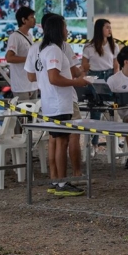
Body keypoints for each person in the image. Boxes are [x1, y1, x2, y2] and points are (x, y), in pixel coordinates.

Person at [26, 15, 88, 196]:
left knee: (58, 141)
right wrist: (78, 82)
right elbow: (54, 78)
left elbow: (38, 77)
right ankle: (62, 183)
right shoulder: (53, 51)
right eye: (65, 27)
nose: (67, 31)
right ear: (57, 30)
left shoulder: (44, 50)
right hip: (59, 103)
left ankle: (57, 181)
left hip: (51, 102)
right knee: (62, 142)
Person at [82, 19, 119, 155]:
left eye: (110, 27)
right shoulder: (89, 47)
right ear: (99, 29)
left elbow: (116, 65)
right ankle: (94, 143)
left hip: (109, 76)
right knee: (96, 110)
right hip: (94, 78)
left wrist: (115, 79)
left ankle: (114, 143)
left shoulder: (114, 46)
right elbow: (84, 66)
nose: (110, 30)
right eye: (107, 27)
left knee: (112, 109)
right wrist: (84, 80)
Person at [5, 7, 38, 100]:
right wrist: (29, 59)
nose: (34, 19)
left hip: (32, 85)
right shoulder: (14, 37)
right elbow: (9, 58)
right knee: (23, 113)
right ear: (24, 20)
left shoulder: (29, 36)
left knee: (34, 113)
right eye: (31, 17)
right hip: (21, 86)